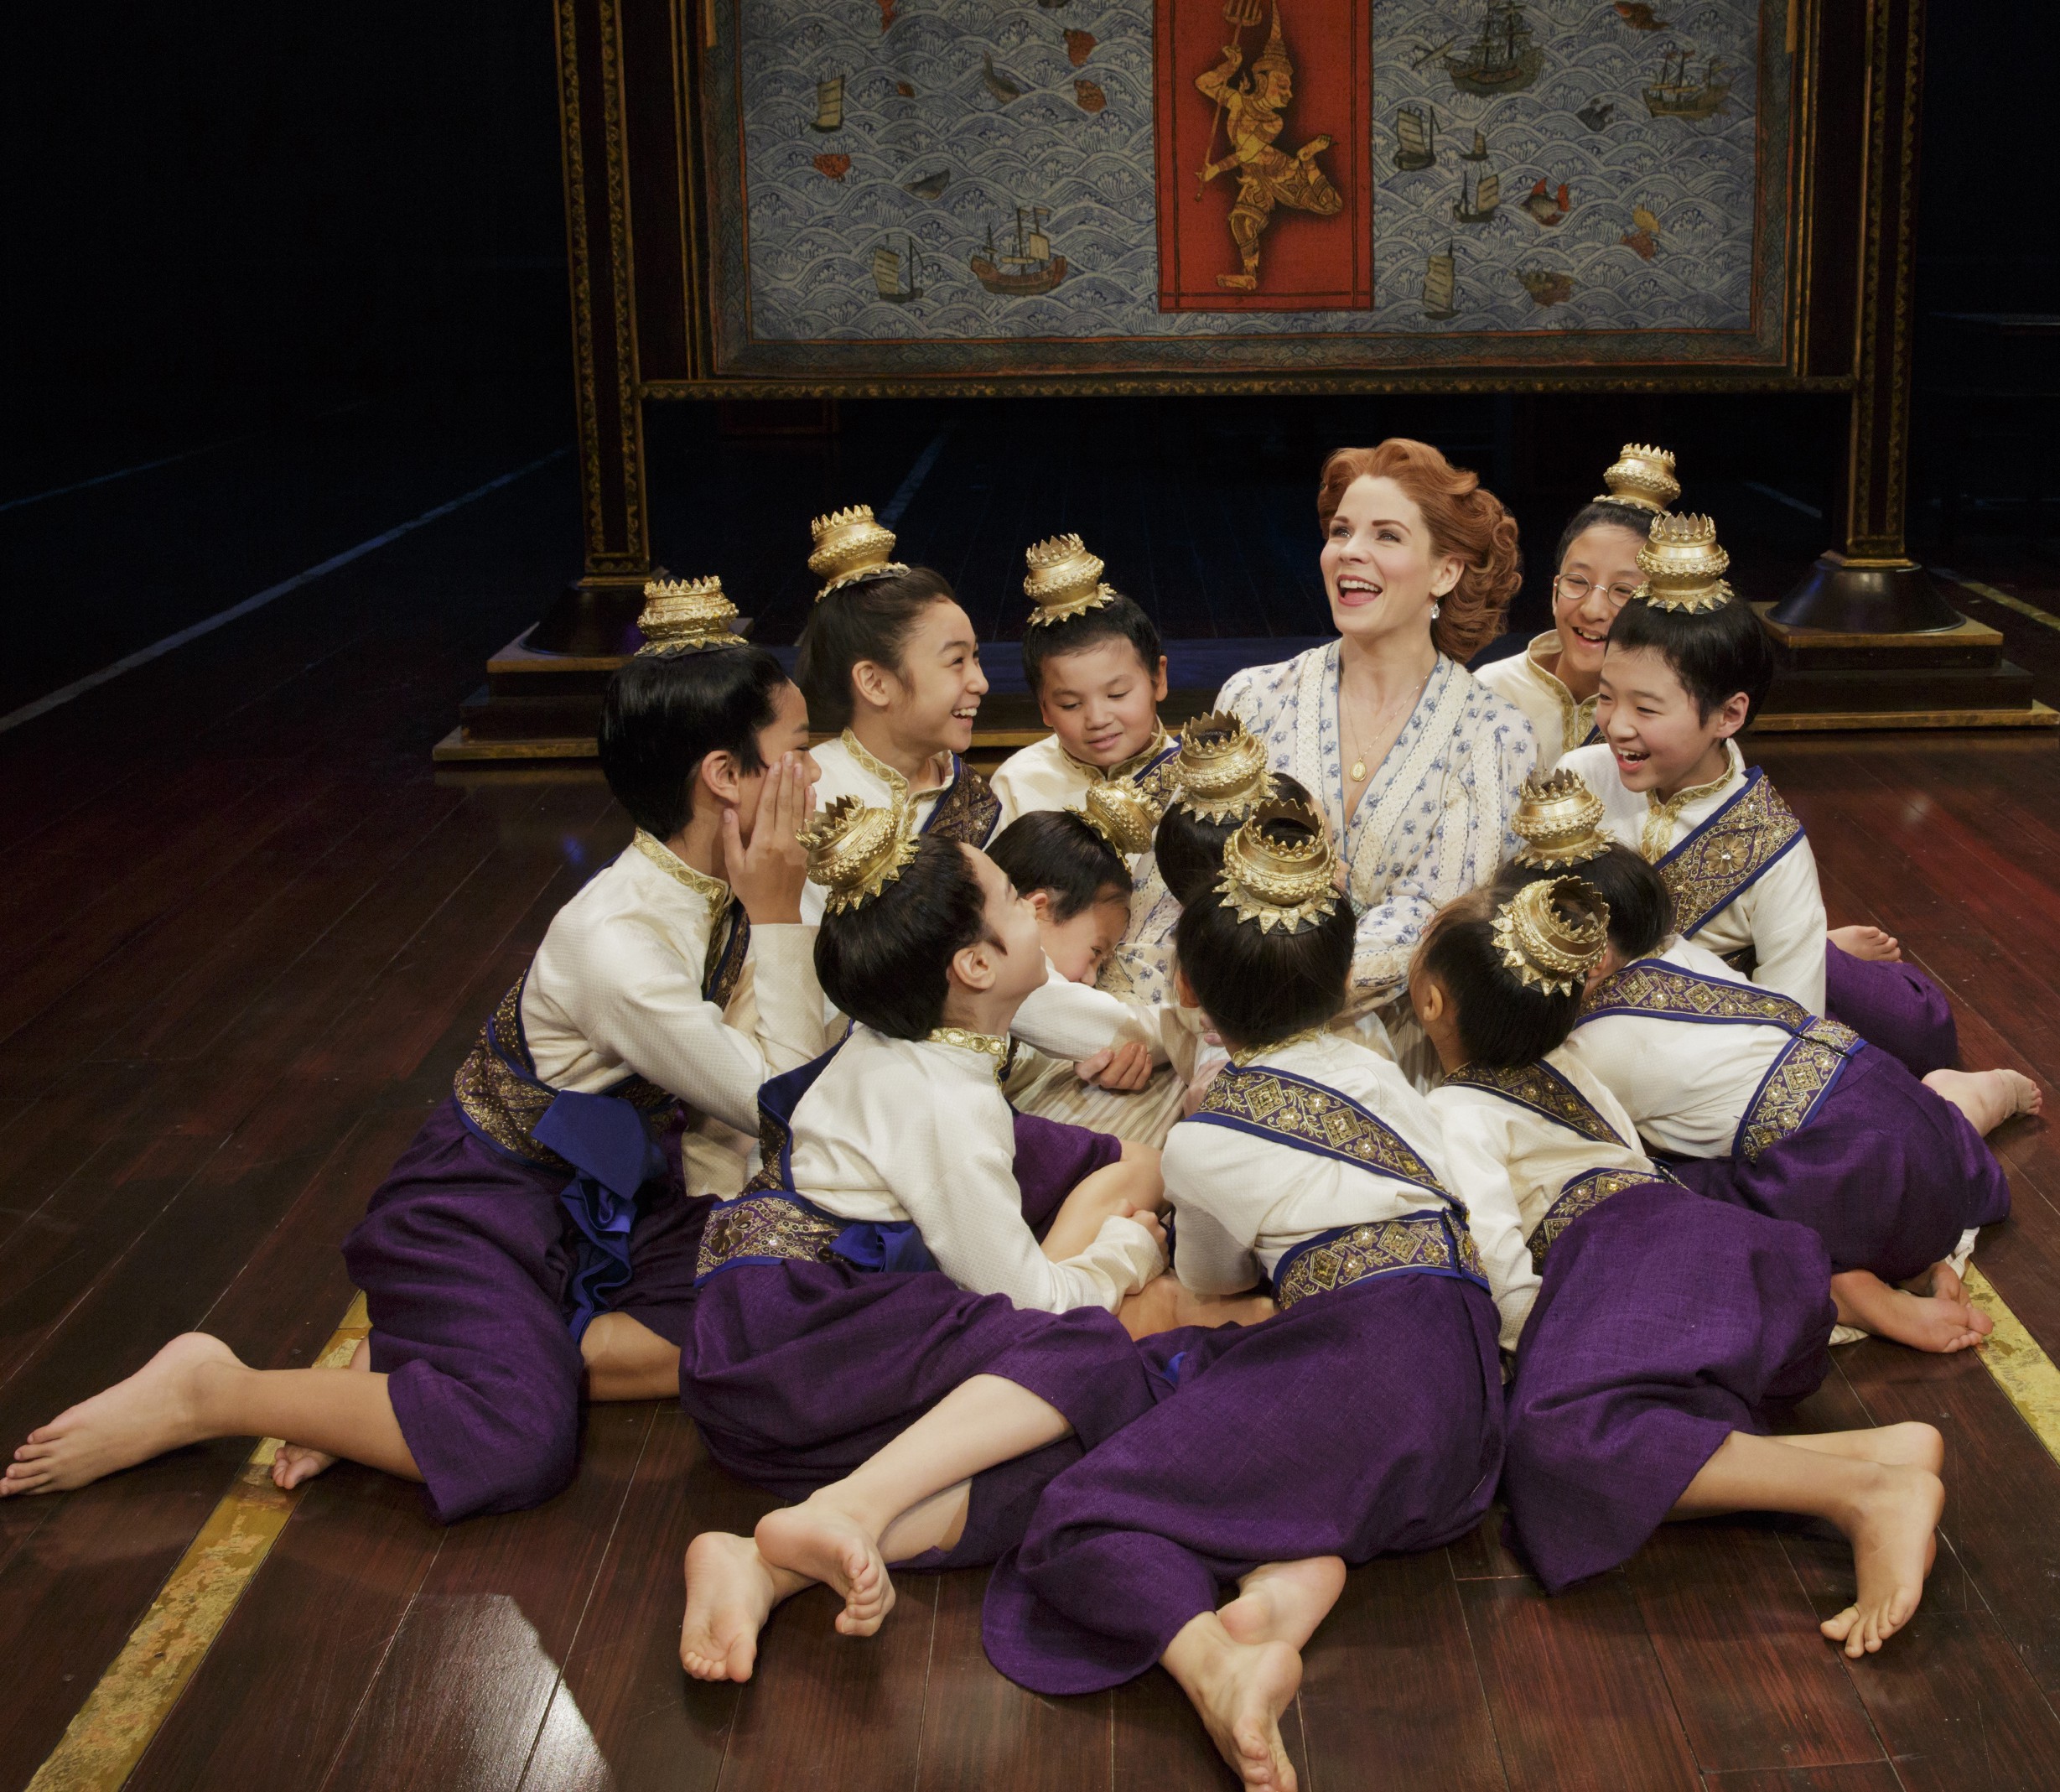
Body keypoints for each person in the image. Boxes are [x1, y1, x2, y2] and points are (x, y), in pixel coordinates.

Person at [2, 579, 832, 1520]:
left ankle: (418, 1369)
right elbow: (782, 1105)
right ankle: (214, 1390)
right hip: (488, 1199)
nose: (816, 774)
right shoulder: (620, 940)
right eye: (800, 749)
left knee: (797, 1301)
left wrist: (782, 908)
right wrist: (780, 916)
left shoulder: (737, 877)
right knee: (518, 1442)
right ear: (724, 775)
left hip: (610, 1193)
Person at [983, 800, 1505, 1792]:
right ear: (1341, 981)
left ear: (1186, 990)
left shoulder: (1204, 1137)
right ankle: (1283, 1591)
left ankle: (1208, 1664)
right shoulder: (1379, 1068)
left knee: (1079, 1515)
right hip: (1467, 1394)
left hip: (1369, 1370)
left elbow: (1211, 1281)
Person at [676, 797, 1171, 1679]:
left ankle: (790, 1545)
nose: (1034, 909)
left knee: (1124, 1180)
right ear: (974, 963)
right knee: (1094, 1365)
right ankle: (827, 1524)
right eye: (1016, 897)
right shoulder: (946, 1103)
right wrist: (1125, 1255)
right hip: (791, 1346)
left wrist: (1166, 1035)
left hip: (767, 1316)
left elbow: (1069, 1015)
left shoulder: (926, 1019)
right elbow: (1033, 1303)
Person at [1414, 871, 1948, 1660]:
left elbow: (1500, 1266)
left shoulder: (1452, 1110)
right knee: (1639, 1428)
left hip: (1625, 1256)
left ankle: (1865, 1494)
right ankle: (1871, 1454)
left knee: (1552, 1451)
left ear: (1429, 1000)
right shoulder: (1567, 1061)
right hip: (1719, 1249)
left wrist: (1540, 1365)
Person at [1521, 788, 2037, 1353]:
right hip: (1915, 1129)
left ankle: (1847, 1285)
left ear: (1590, 956)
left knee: (1617, 1189)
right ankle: (1932, 1196)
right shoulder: (1676, 949)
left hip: (1852, 1185)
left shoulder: (1588, 1050)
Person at [1556, 512, 1959, 1075]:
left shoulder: (1772, 849)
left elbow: (1790, 1036)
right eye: (1605, 697)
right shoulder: (1577, 777)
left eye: (1645, 708)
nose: (1616, 725)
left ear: (1728, 714)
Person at [1217, 439, 1537, 1088]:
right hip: (1227, 1026)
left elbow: (1431, 910)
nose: (1349, 551)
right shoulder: (1252, 698)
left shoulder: (1492, 734)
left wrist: (1284, 996)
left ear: (1445, 572)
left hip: (1394, 1052)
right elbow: (1196, 875)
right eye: (1340, 531)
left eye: (1385, 535)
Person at [796, 505, 1001, 861]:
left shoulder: (974, 800)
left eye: (976, 657)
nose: (980, 683)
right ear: (875, 683)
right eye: (956, 661)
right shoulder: (808, 794)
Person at [1476, 444, 1675, 771]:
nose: (1593, 610)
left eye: (1623, 591)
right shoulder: (1490, 694)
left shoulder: (1678, 710)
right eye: (1578, 582)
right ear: (1555, 592)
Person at [988, 532, 1179, 824]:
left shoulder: (1199, 781)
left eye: (1117, 694)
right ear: (1043, 708)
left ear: (1159, 678)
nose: (1097, 719)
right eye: (1070, 705)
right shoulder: (1017, 785)